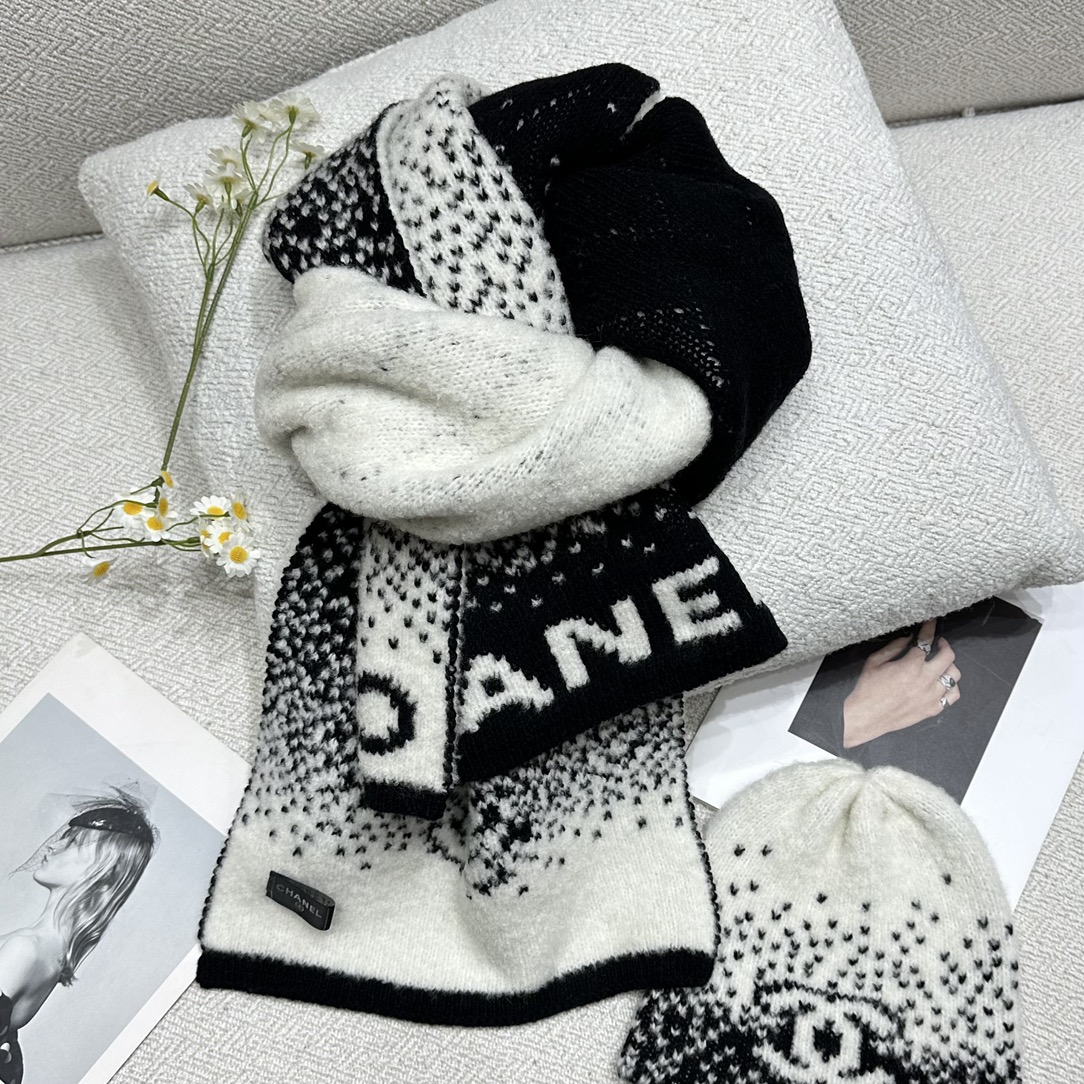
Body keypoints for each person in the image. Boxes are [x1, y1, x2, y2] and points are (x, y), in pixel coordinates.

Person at [0, 795, 156, 1084]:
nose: (52, 845)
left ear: (103, 870)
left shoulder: (25, 949)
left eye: (71, 842)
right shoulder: (49, 957)